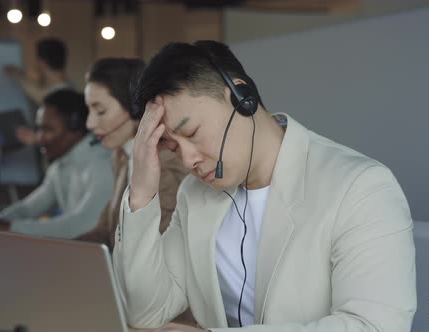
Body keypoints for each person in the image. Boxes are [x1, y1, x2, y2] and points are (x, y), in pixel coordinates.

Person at [112, 40, 416, 331]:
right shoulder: (195, 195)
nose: (188, 159)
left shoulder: (361, 187)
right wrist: (141, 192)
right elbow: (146, 311)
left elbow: (374, 326)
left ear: (242, 98)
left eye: (191, 131)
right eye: (172, 147)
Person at [76, 58, 188, 249]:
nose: (90, 124)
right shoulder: (121, 156)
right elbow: (106, 231)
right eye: (89, 110)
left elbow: (156, 245)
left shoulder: (165, 163)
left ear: (136, 107)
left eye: (100, 111)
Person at [0, 89, 113, 239]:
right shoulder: (60, 165)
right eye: (39, 128)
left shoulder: (102, 163)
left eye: (48, 129)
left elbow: (82, 225)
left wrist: (8, 228)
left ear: (76, 130)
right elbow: (28, 208)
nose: (39, 137)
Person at [5, 38, 73, 147]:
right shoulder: (67, 87)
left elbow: (42, 96)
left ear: (42, 62)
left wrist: (18, 76)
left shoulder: (61, 93)